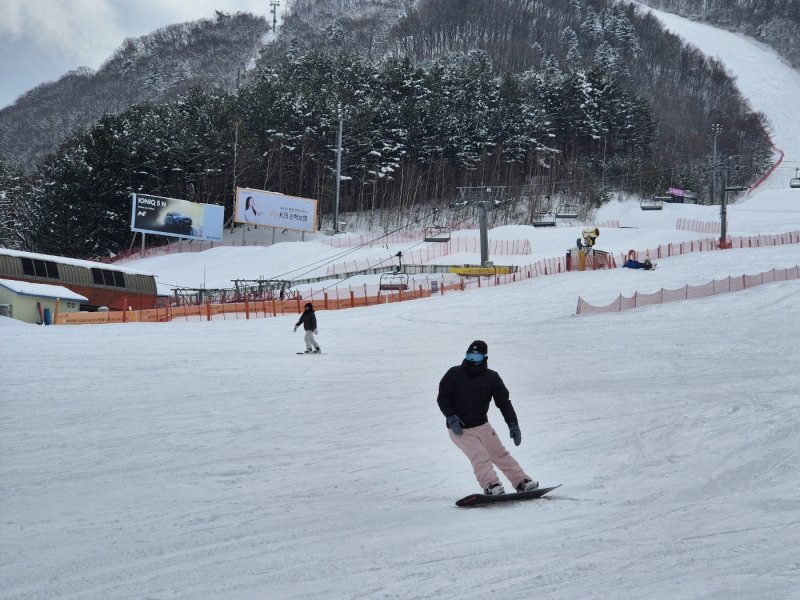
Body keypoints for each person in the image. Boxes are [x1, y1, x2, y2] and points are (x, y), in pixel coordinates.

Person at [437, 340, 538, 495]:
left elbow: (504, 403)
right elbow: (443, 398)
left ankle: (521, 481)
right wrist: (451, 417)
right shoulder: (454, 373)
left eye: (476, 358)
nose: (472, 361)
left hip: (482, 426)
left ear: (484, 358)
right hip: (460, 429)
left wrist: (513, 425)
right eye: (470, 356)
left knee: (499, 454)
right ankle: (491, 485)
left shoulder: (492, 377)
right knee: (480, 455)